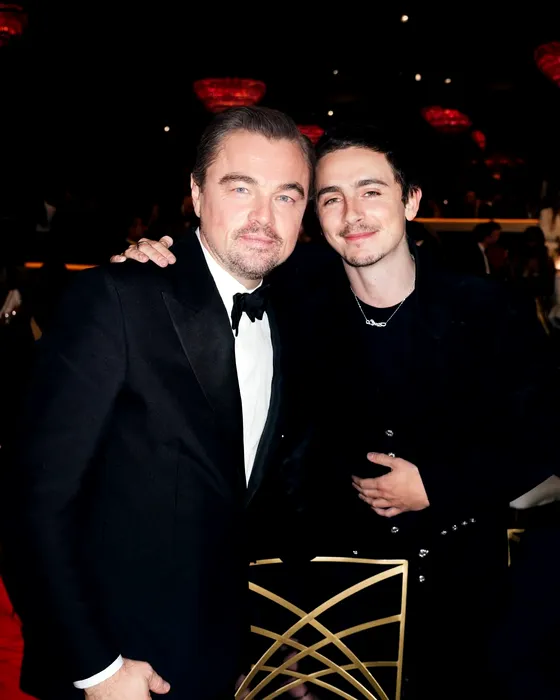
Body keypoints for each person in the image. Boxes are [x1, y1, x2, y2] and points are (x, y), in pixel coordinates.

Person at [126, 123, 558, 699]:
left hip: (463, 602)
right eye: (331, 198)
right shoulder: (291, 300)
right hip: (332, 605)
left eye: (371, 191)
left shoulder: (487, 309)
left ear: (411, 200)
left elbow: (545, 437)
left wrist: (439, 485)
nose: (352, 213)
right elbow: (220, 262)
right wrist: (159, 256)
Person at [1, 106, 314, 700]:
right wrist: (97, 670)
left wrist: (270, 648)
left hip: (223, 663)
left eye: (286, 196)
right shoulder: (116, 298)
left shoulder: (292, 320)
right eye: (240, 188)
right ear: (196, 194)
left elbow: (254, 509)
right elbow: (31, 502)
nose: (263, 217)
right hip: (116, 666)